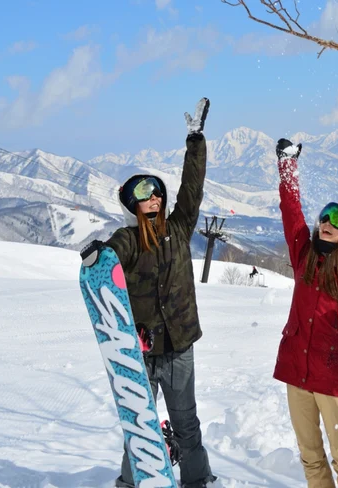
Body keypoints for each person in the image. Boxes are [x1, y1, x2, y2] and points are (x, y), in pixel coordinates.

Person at [103, 98, 217, 488]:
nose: (153, 199)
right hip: (141, 350)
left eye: (156, 193)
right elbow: (112, 254)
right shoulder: (129, 239)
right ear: (133, 205)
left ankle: (197, 480)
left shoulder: (180, 227)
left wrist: (195, 141)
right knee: (139, 425)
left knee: (186, 421)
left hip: (179, 346)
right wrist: (98, 259)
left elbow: (193, 186)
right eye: (143, 195)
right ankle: (130, 482)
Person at [272, 137, 338, 488]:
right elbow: (291, 210)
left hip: (331, 375)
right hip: (297, 368)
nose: (327, 221)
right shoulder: (303, 253)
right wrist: (287, 165)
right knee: (310, 455)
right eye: (325, 215)